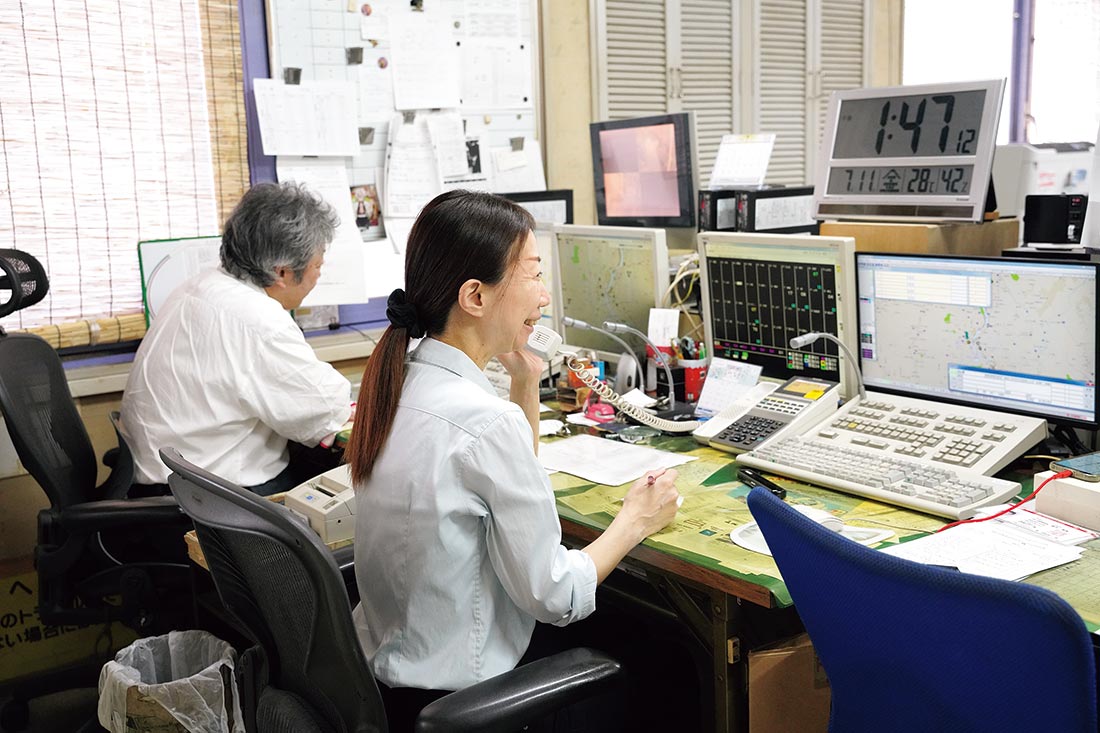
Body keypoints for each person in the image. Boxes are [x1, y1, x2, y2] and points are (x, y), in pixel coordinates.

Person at [345, 189, 680, 730]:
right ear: (475, 296)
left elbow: (492, 481)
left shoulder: (400, 381)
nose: (544, 296)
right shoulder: (483, 422)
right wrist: (635, 520)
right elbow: (556, 596)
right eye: (534, 275)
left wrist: (525, 383)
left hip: (390, 684)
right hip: (467, 697)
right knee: (661, 648)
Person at [121, 182, 353, 496]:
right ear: (282, 273)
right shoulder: (257, 320)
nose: (319, 275)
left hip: (162, 478)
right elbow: (325, 410)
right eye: (317, 265)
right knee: (341, 476)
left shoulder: (198, 286)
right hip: (207, 496)